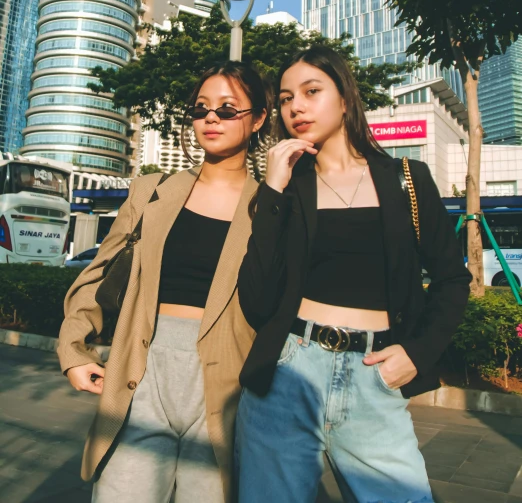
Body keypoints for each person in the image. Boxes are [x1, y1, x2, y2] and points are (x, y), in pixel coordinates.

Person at [235, 46, 471, 503]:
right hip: (289, 372)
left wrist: (417, 353)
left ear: (345, 98)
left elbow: (452, 280)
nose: (295, 107)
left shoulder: (407, 178)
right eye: (285, 99)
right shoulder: (288, 187)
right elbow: (257, 297)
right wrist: (273, 189)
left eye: (311, 91)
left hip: (374, 375)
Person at [58, 61, 271, 503]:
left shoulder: (271, 207)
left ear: (260, 119)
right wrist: (73, 349)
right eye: (201, 109)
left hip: (226, 383)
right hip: (144, 370)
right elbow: (98, 275)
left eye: (228, 109)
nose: (211, 118)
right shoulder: (152, 191)